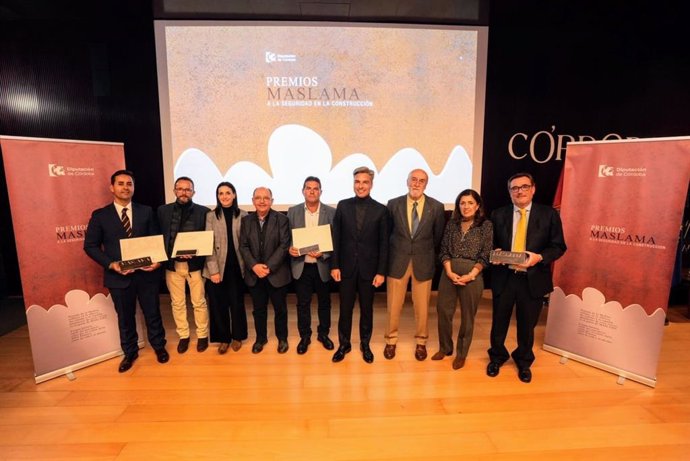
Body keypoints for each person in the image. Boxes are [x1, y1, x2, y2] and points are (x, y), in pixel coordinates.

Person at [84, 169, 168, 373]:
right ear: (112, 188)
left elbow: (157, 240)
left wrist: (157, 262)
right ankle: (129, 352)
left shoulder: (146, 211)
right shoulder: (100, 215)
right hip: (118, 277)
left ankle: (159, 347)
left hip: (147, 275)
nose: (125, 187)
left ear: (133, 187)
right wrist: (112, 264)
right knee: (125, 317)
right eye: (120, 184)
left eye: (129, 184)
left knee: (153, 313)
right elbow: (90, 246)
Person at [488, 172, 566, 383]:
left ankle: (523, 361)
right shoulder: (498, 214)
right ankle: (497, 356)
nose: (519, 191)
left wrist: (539, 257)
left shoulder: (549, 215)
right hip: (504, 277)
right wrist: (493, 253)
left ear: (533, 189)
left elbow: (559, 246)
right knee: (499, 322)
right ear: (509, 192)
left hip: (533, 278)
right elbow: (490, 243)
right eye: (514, 188)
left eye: (524, 187)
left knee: (527, 324)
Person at [384, 169, 445, 361]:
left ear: (426, 184)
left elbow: (438, 238)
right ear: (407, 181)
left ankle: (421, 342)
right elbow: (387, 235)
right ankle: (391, 341)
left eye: (421, 181)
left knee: (422, 307)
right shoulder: (393, 204)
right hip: (397, 262)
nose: (417, 184)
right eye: (414, 180)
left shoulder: (436, 207)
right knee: (393, 305)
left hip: (423, 262)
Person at [331, 166, 388, 363]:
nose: (360, 185)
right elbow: (335, 238)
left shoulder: (381, 210)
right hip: (345, 268)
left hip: (369, 270)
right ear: (353, 183)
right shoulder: (343, 206)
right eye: (357, 182)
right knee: (345, 309)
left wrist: (381, 272)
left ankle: (365, 344)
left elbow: (384, 244)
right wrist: (334, 265)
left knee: (367, 310)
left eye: (365, 182)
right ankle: (344, 344)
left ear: (371, 184)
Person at [433, 189, 493, 370]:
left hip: (472, 273)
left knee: (468, 317)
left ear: (477, 206)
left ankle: (461, 353)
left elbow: (486, 254)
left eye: (470, 203)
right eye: (462, 203)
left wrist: (472, 274)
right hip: (449, 272)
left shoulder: (485, 225)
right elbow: (443, 249)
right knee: (443, 311)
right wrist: (449, 272)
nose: (466, 206)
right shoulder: (452, 224)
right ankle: (445, 348)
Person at [157, 176, 211, 354]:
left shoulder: (204, 212)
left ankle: (202, 335)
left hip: (194, 266)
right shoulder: (162, 211)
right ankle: (184, 336)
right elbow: (159, 237)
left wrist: (196, 252)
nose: (184, 192)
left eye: (188, 189)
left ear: (193, 192)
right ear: (174, 191)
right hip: (173, 266)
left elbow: (207, 239)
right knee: (177, 303)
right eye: (180, 189)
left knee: (199, 302)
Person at [287, 176, 337, 354]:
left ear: (321, 192)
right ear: (303, 191)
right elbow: (287, 238)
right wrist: (289, 249)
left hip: (322, 265)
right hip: (301, 265)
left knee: (325, 303)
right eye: (308, 188)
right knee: (303, 304)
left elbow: (336, 241)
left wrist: (324, 253)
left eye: (316, 188)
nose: (312, 191)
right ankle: (305, 336)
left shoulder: (331, 212)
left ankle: (323, 334)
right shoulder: (292, 212)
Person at [240, 187, 291, 354]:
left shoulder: (282, 219)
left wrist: (268, 267)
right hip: (255, 274)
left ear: (272, 201)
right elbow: (244, 246)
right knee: (258, 310)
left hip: (276, 273)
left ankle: (282, 338)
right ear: (253, 200)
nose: (262, 201)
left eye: (266, 198)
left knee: (280, 310)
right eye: (258, 198)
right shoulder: (246, 221)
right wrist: (254, 266)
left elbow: (284, 245)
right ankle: (260, 338)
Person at [203, 182, 248, 354]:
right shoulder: (211, 216)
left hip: (237, 267)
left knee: (237, 303)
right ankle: (223, 339)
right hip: (216, 268)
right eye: (220, 193)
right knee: (217, 304)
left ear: (234, 195)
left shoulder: (243, 215)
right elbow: (208, 245)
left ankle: (237, 336)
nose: (224, 196)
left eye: (228, 193)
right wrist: (213, 270)